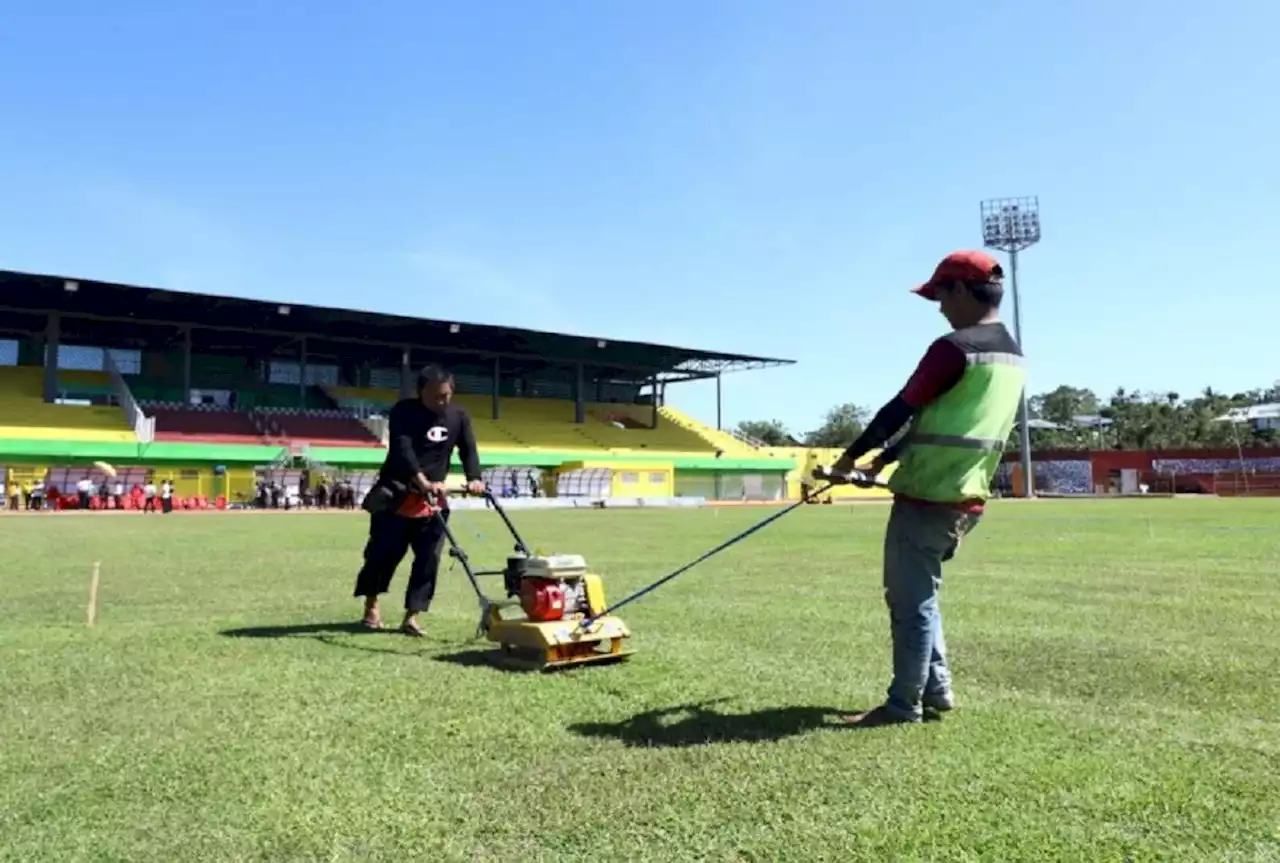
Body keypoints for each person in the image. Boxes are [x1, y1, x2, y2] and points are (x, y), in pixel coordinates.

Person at [821, 250, 1026, 727]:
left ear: (960, 290)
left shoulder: (953, 348)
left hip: (928, 496)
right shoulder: (1012, 357)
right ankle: (937, 690)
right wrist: (882, 461)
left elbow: (901, 409)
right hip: (966, 496)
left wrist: (848, 459)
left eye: (940, 294)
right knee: (923, 595)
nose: (938, 307)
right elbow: (940, 421)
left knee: (910, 601)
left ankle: (902, 704)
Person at [353, 364, 486, 636]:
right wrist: (420, 479)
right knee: (381, 556)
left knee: (428, 560)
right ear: (420, 391)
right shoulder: (404, 411)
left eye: (447, 395)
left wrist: (474, 478)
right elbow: (402, 448)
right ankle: (371, 605)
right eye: (437, 396)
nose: (442, 401)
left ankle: (412, 616)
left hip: (434, 502)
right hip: (397, 496)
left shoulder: (458, 416)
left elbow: (468, 449)